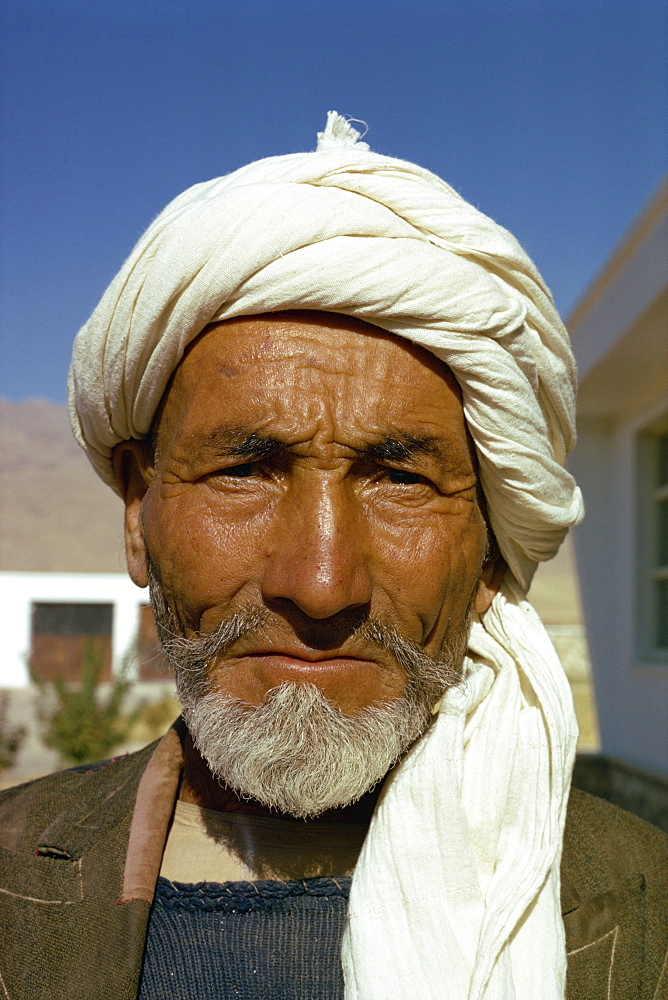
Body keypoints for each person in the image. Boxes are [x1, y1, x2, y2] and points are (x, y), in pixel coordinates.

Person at [0, 113, 666, 1000]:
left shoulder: (643, 908)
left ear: (492, 556)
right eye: (246, 470)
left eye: (399, 480)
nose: (319, 585)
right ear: (137, 509)